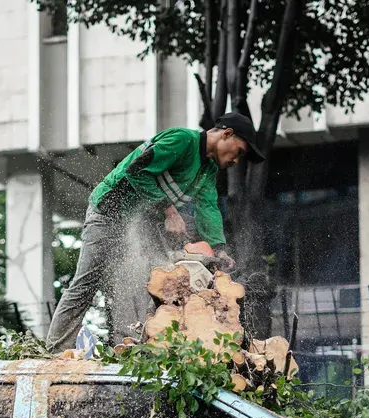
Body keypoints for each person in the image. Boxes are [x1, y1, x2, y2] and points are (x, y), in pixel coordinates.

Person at [45, 111, 264, 352]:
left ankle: (134, 349)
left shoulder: (208, 168)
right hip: (109, 213)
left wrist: (219, 249)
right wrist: (169, 211)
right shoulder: (182, 140)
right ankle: (54, 351)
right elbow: (136, 170)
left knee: (149, 286)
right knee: (86, 283)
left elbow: (208, 206)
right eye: (240, 152)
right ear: (227, 134)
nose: (236, 161)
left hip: (143, 222)